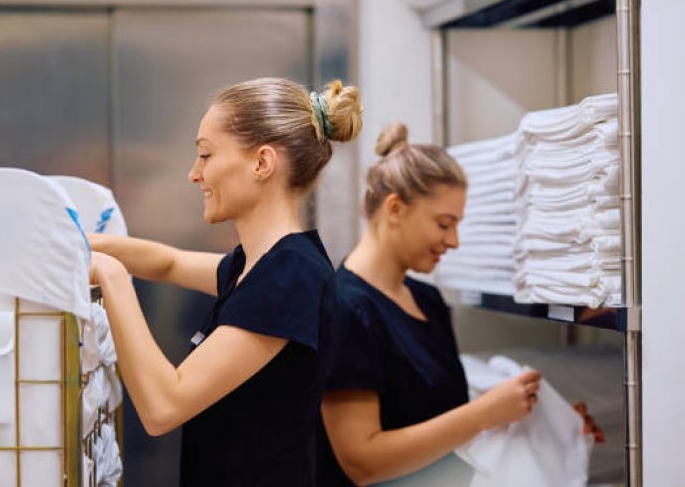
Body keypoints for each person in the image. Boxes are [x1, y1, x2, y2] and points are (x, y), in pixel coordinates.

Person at [87, 77, 363, 486]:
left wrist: (110, 275)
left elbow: (163, 406)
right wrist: (75, 242)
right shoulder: (256, 264)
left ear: (262, 163)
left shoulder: (291, 276)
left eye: (205, 155)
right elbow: (167, 263)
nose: (194, 174)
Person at [317, 122, 543, 486]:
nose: (453, 241)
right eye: (443, 224)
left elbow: (437, 424)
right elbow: (362, 461)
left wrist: (540, 423)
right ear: (395, 209)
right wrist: (484, 414)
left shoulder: (427, 299)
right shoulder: (345, 309)